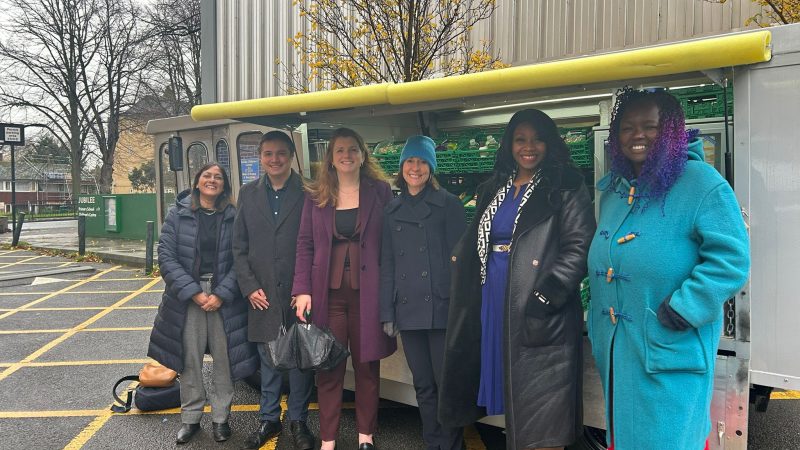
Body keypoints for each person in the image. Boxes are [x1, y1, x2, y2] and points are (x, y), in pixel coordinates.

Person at [587, 87, 750, 449]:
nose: (638, 135)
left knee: (668, 439)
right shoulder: (615, 190)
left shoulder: (702, 183)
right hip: (620, 352)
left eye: (650, 126)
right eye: (627, 127)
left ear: (672, 131)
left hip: (669, 349)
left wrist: (687, 306)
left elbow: (732, 259)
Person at [439, 109, 595, 450]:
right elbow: (476, 238)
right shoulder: (493, 186)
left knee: (541, 406)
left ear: (550, 143)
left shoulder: (566, 185)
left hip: (536, 302)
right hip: (494, 297)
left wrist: (546, 295)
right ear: (509, 144)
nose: (529, 147)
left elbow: (580, 246)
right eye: (520, 139)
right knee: (512, 394)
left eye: (538, 139)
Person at [292, 127, 396, 450]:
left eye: (353, 149)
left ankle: (366, 435)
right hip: (328, 295)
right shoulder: (316, 195)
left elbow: (391, 242)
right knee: (329, 367)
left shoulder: (380, 191)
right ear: (331, 158)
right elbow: (305, 244)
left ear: (363, 155)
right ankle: (328, 439)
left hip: (369, 295)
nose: (347, 155)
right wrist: (302, 289)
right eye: (340, 150)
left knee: (367, 366)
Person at [148, 163, 257, 445]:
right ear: (197, 182)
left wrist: (221, 293)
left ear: (224, 185)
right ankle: (191, 419)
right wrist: (194, 293)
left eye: (218, 177)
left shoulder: (235, 215)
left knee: (224, 361)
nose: (212, 180)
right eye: (207, 176)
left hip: (224, 298)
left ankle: (221, 419)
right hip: (188, 297)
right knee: (190, 360)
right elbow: (166, 257)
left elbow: (242, 257)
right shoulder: (177, 214)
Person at [379, 135, 467, 450]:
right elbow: (388, 263)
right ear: (401, 166)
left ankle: (452, 445)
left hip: (442, 308)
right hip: (408, 308)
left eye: (421, 162)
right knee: (424, 385)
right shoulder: (392, 210)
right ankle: (433, 442)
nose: (415, 168)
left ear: (431, 168)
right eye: (409, 161)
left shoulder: (449, 204)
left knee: (447, 386)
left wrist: (461, 309)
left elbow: (462, 260)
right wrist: (387, 311)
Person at [233, 131, 315, 449]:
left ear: (291, 156)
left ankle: (298, 421)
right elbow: (239, 247)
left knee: (300, 360)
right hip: (262, 293)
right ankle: (269, 419)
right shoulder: (248, 194)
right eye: (268, 154)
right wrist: (249, 287)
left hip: (299, 293)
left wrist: (305, 286)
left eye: (281, 153)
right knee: (268, 360)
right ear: (260, 157)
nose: (274, 159)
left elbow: (317, 243)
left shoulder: (309, 192)